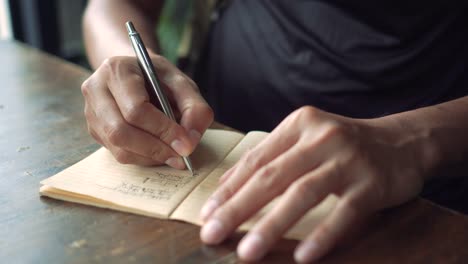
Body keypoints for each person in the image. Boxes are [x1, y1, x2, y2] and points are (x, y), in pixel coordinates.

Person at [81, 0, 468, 262]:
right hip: (211, 143)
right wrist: (131, 65)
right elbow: (112, 6)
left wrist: (410, 141)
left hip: (416, 192)